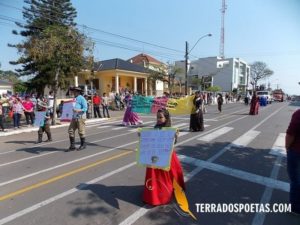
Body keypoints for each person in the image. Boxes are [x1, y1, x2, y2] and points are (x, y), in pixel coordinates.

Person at [142, 108, 185, 206]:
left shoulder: (170, 129)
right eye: (157, 117)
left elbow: (172, 144)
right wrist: (143, 137)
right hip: (155, 154)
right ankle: (153, 194)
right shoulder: (156, 126)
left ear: (166, 118)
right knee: (153, 175)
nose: (158, 119)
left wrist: (174, 136)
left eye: (160, 117)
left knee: (167, 176)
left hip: (166, 155)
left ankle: (162, 194)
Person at [286, 109, 300, 215]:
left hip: (296, 151)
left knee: (295, 180)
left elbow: (290, 134)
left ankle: (295, 207)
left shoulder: (298, 114)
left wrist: (287, 147)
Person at [66, 87, 88, 152]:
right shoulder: (74, 99)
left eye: (75, 92)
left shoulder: (82, 98)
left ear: (78, 92)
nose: (73, 93)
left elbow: (85, 108)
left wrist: (78, 110)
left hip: (80, 117)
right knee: (70, 130)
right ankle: (72, 146)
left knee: (81, 131)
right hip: (74, 116)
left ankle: (83, 144)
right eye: (73, 91)